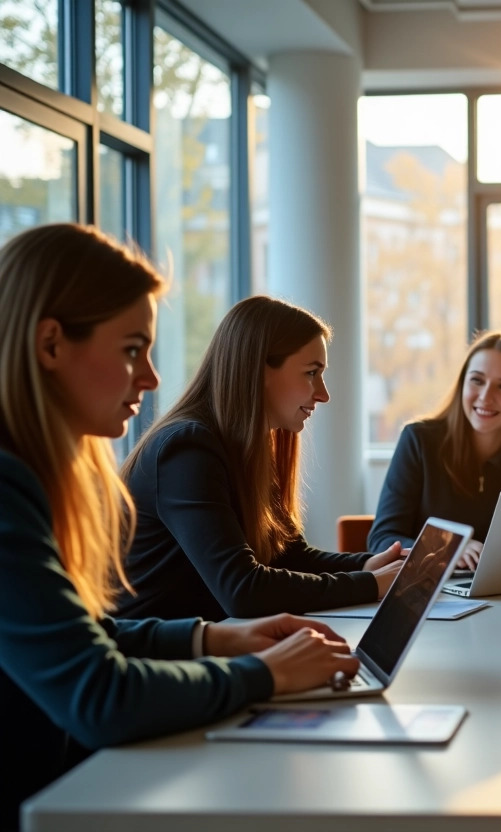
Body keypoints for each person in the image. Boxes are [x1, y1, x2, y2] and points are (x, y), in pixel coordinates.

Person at [0, 224, 359, 830]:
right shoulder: (10, 487)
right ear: (51, 344)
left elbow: (87, 633)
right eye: (131, 349)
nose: (151, 377)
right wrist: (266, 672)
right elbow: (100, 695)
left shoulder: (33, 476)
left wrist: (215, 641)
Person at [115, 296, 405, 621]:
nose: (323, 394)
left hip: (209, 644)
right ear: (259, 370)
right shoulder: (186, 450)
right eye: (311, 373)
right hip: (152, 660)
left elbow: (289, 555)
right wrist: (369, 585)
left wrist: (367, 566)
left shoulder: (247, 444)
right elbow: (243, 591)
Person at [368, 331, 501, 566]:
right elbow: (382, 540)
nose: (485, 397)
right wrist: (447, 547)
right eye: (477, 380)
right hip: (432, 594)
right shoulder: (419, 441)